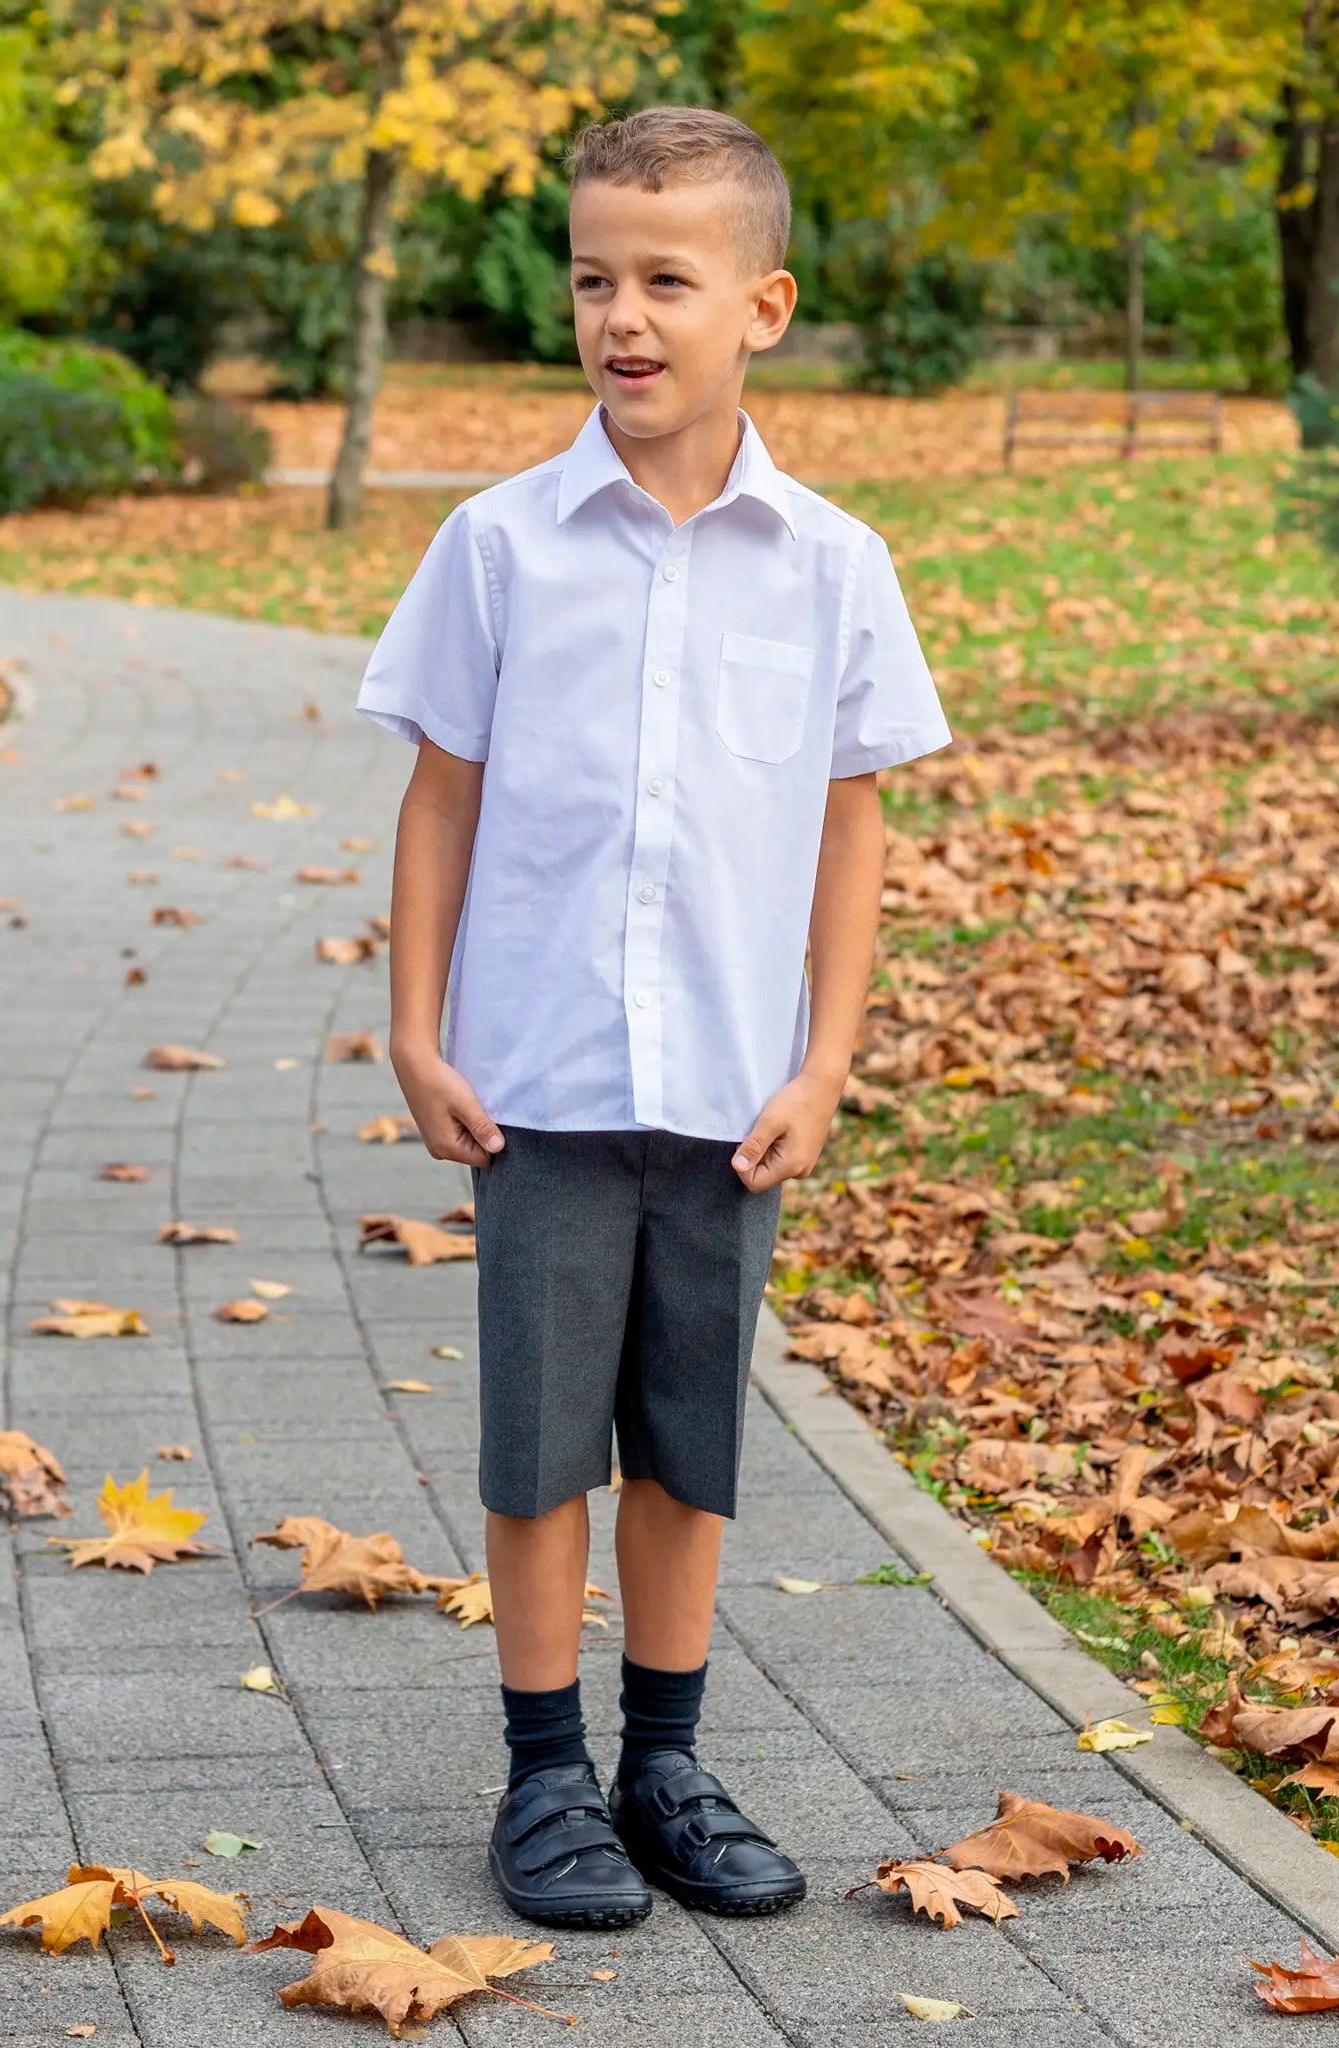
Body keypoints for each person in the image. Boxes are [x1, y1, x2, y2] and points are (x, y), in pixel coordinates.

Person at [356, 104, 952, 1929]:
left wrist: (828, 1058)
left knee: (687, 1441)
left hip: (728, 1090)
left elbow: (852, 820)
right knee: (541, 1447)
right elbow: (439, 791)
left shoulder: (832, 562)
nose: (623, 316)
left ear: (759, 304)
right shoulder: (498, 543)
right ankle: (543, 1781)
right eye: (593, 278)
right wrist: (414, 1027)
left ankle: (664, 1764)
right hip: (533, 1082)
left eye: (666, 281)